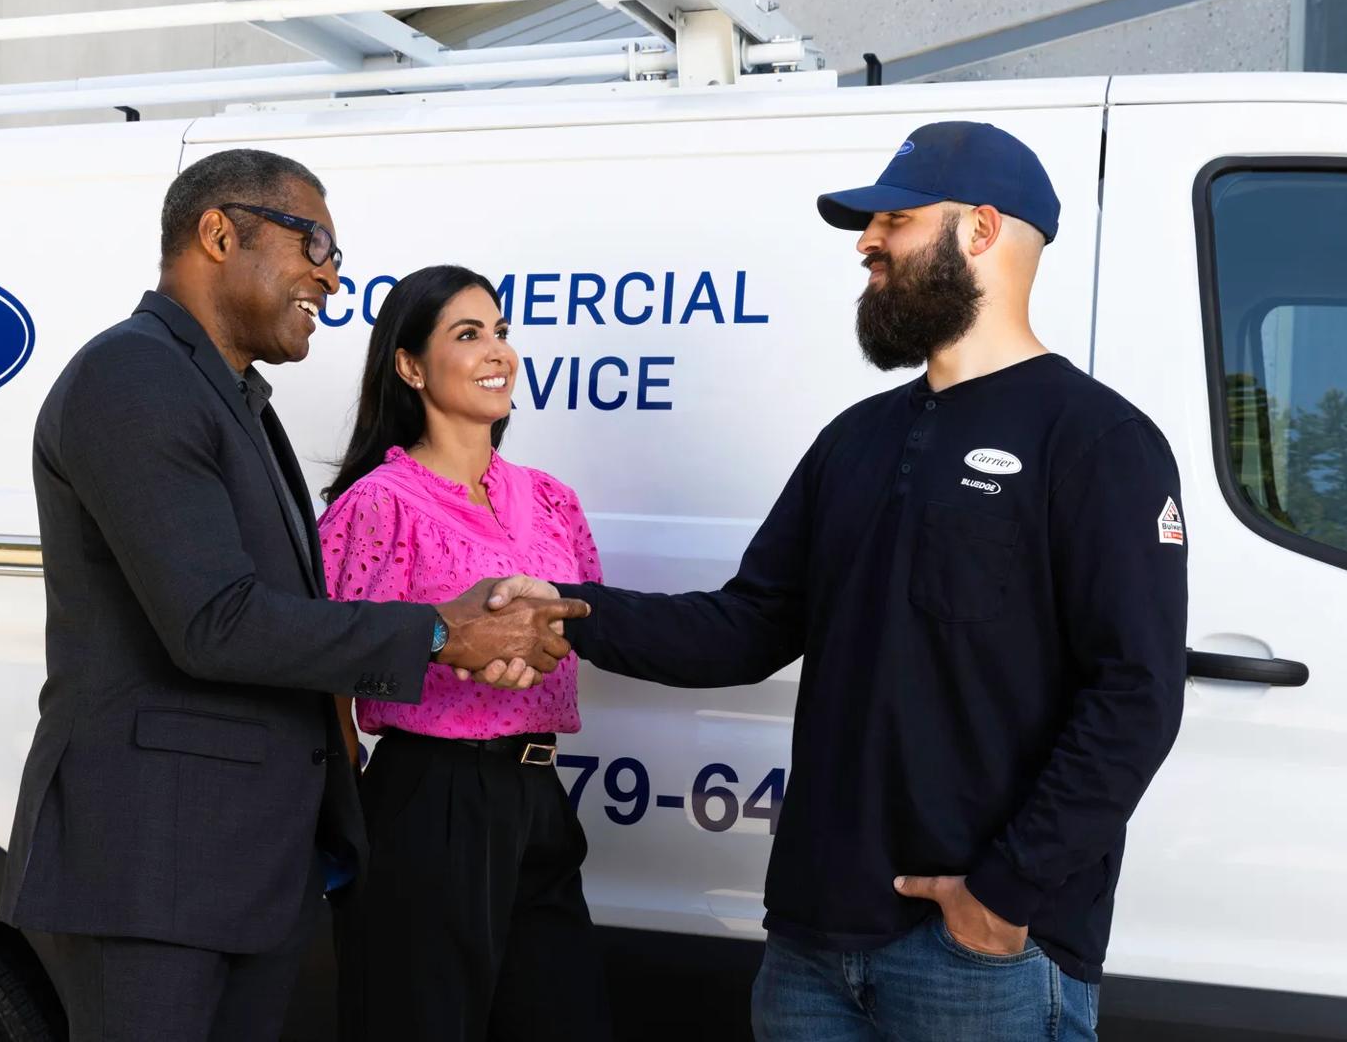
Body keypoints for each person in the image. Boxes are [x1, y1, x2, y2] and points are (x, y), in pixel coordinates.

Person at [479, 121, 1189, 1040]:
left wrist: (1004, 892)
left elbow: (1136, 694)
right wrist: (569, 616)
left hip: (979, 957)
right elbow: (749, 625)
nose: (867, 243)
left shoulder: (1098, 441)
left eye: (893, 220)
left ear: (980, 229)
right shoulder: (855, 440)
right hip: (812, 948)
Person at [0, 149, 586, 1042]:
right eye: (314, 242)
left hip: (238, 870)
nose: (330, 276)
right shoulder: (133, 376)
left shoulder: (234, 396)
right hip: (153, 868)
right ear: (219, 232)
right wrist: (439, 634)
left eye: (336, 257)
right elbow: (212, 622)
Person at [319, 265, 612, 1042]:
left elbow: (586, 617)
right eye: (469, 333)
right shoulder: (378, 504)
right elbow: (320, 667)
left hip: (539, 794)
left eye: (503, 332)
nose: (498, 352)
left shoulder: (551, 497)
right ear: (410, 366)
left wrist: (540, 639)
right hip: (430, 800)